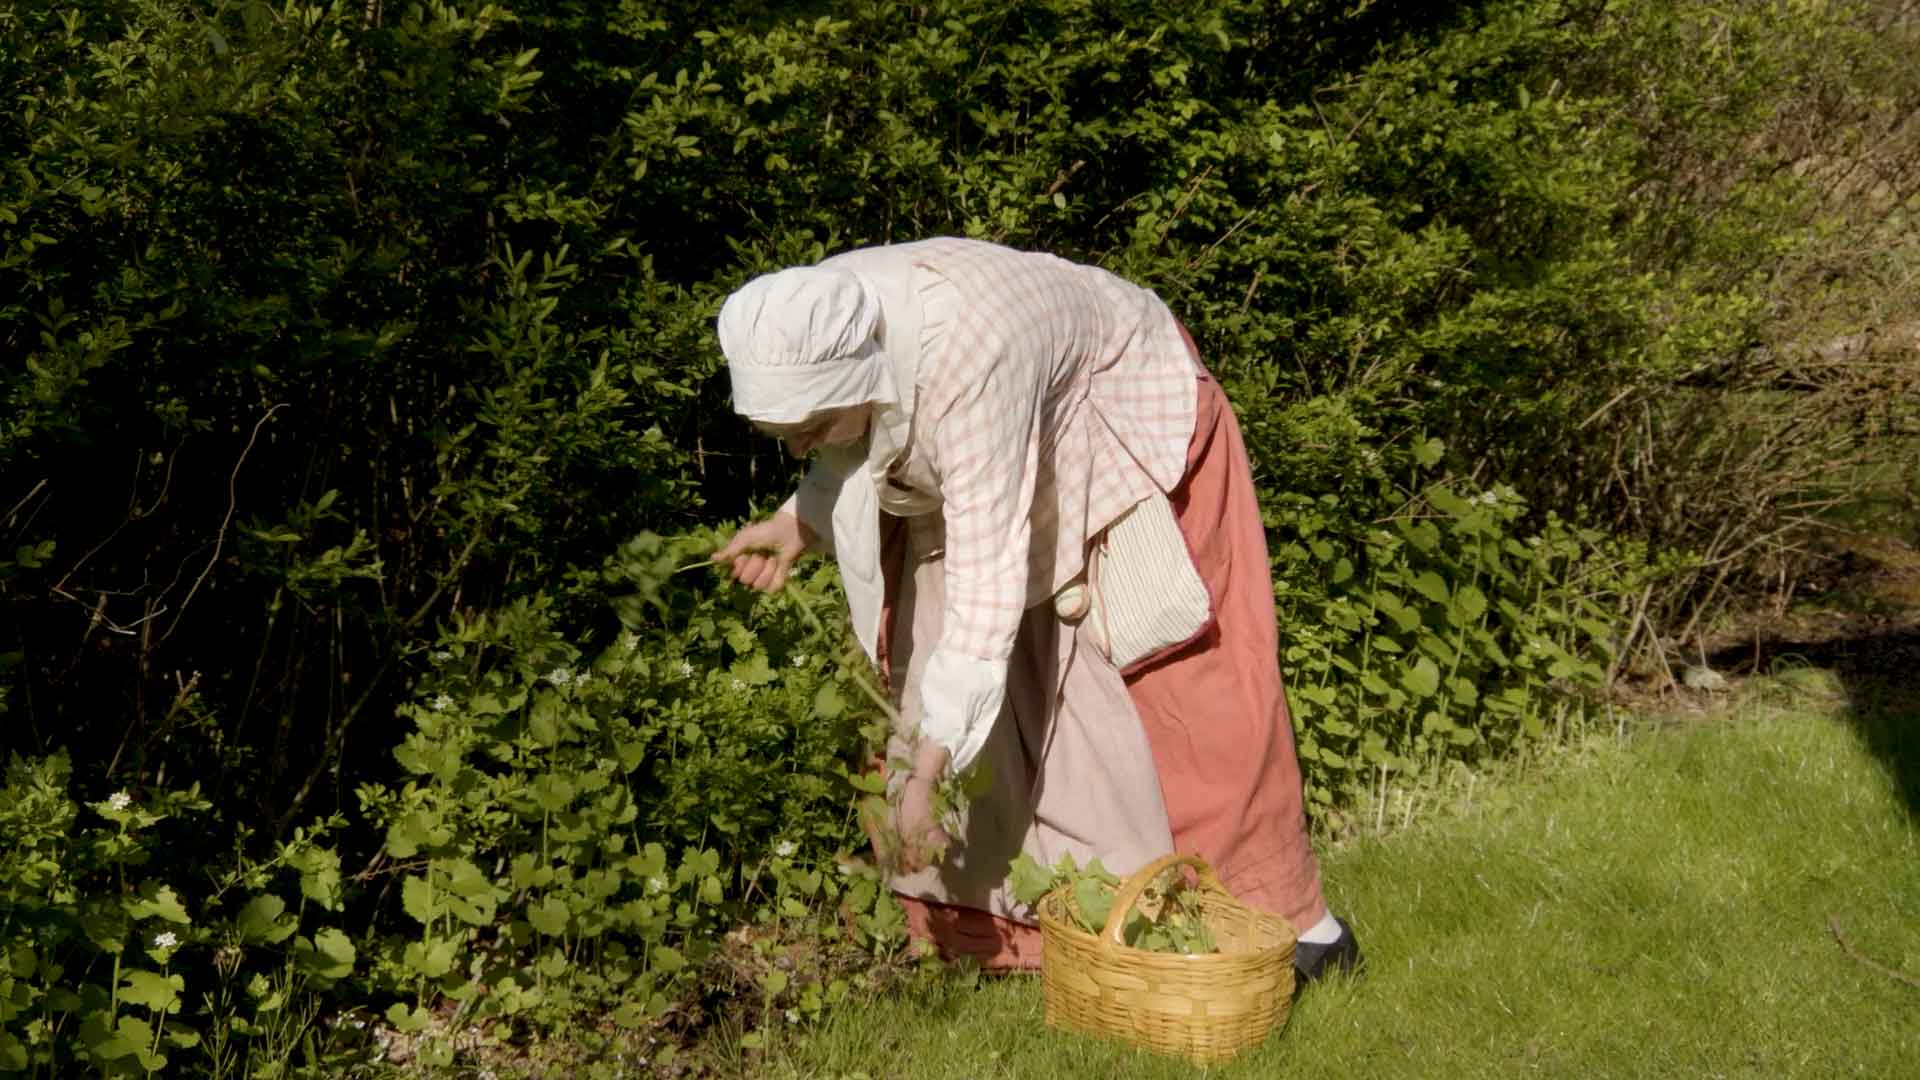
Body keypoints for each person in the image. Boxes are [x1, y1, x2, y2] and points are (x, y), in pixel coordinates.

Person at [711, 237, 1361, 981]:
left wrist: (927, 775)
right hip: (1004, 441)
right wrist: (801, 521)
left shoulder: (972, 360)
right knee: (982, 691)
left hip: (1118, 410)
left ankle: (1281, 930)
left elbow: (985, 587)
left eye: (808, 431)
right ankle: (1040, 932)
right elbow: (845, 437)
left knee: (1178, 696)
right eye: (782, 437)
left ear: (865, 373)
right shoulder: (809, 312)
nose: (799, 450)